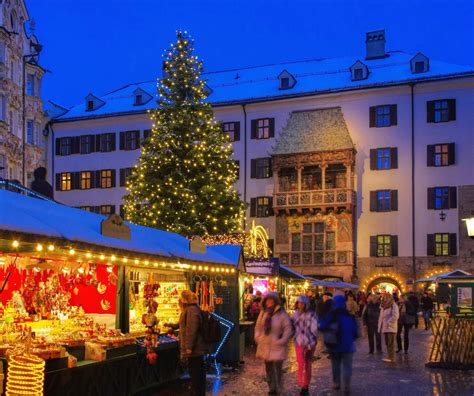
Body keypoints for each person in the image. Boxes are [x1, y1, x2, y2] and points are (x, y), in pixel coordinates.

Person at [255, 292, 293, 395]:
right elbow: (258, 326)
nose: (269, 302)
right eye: (268, 299)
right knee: (268, 369)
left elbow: (288, 328)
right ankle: (272, 388)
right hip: (265, 344)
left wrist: (282, 340)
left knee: (277, 369)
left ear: (276, 301)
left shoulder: (281, 313)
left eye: (272, 300)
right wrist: (258, 337)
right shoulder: (263, 312)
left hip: (277, 345)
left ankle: (279, 387)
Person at [319, 295, 358, 395]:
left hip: (334, 344)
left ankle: (336, 383)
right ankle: (347, 386)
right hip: (348, 346)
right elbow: (355, 332)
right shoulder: (350, 316)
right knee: (347, 366)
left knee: (335, 365)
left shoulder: (331, 315)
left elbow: (322, 325)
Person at [179, 290, 208, 396]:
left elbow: (192, 329)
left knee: (196, 375)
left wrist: (189, 347)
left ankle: (198, 393)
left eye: (182, 298)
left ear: (185, 299)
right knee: (197, 375)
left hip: (195, 350)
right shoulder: (192, 309)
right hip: (196, 350)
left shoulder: (191, 310)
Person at [292, 295, 318, 395]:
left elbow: (314, 329)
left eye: (302, 303)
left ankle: (305, 386)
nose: (300, 305)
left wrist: (311, 342)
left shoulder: (312, 315)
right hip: (298, 342)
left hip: (309, 343)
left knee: (307, 364)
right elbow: (291, 327)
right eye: (299, 303)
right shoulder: (294, 315)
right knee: (300, 363)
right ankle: (301, 383)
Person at [378, 293, 399, 363]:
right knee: (387, 342)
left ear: (390, 298)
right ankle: (389, 356)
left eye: (387, 297)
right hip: (385, 327)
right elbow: (381, 317)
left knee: (391, 343)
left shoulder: (393, 305)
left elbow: (396, 316)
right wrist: (380, 326)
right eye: (384, 297)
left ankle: (392, 357)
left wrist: (389, 322)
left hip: (391, 327)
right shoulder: (383, 306)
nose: (385, 299)